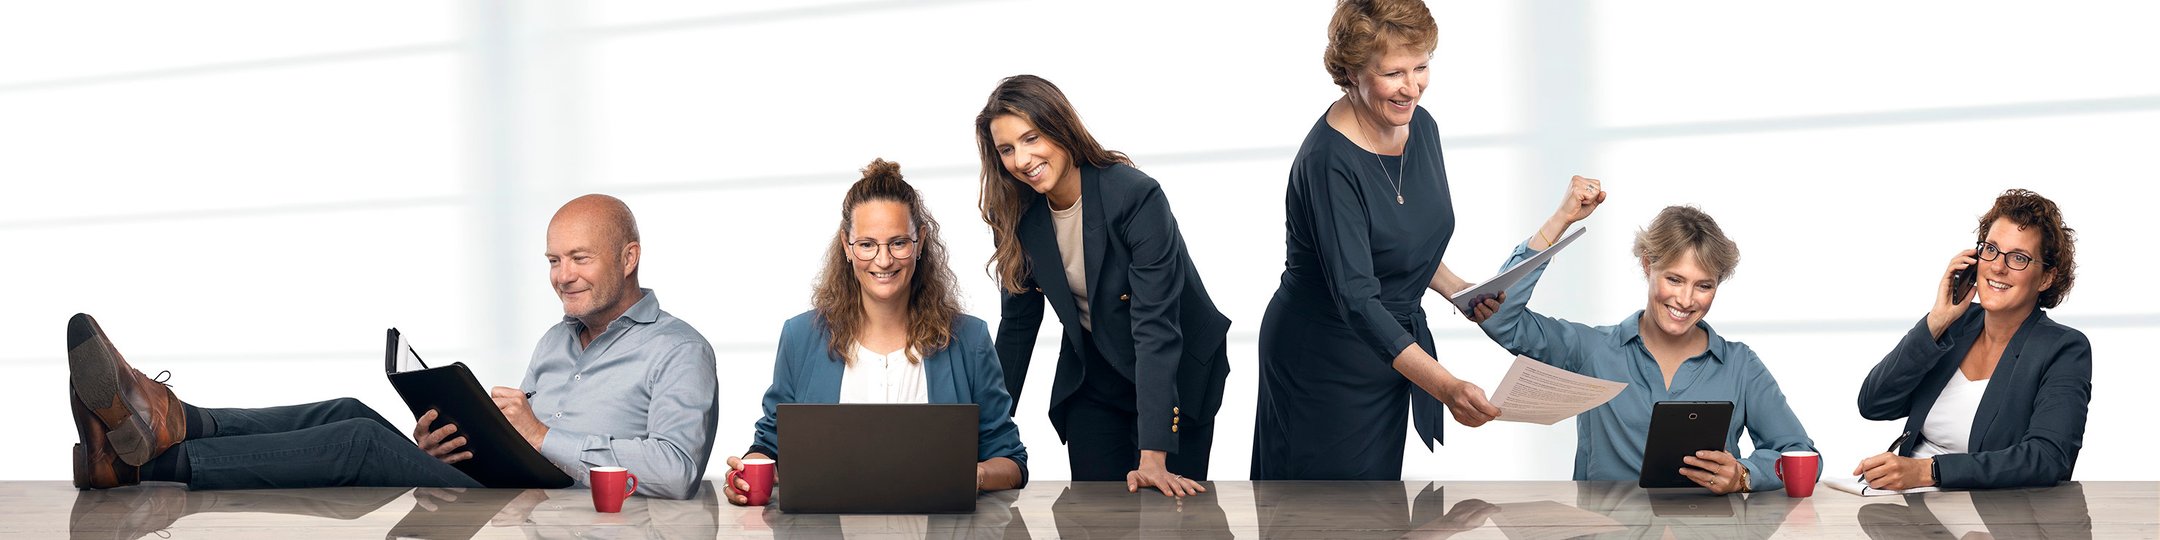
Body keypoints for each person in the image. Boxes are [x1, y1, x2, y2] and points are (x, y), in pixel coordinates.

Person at [68, 194, 720, 499]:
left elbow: (674, 470)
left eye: (579, 257)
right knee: (347, 410)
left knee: (360, 444)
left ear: (629, 257)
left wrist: (543, 434)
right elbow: (522, 442)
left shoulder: (679, 350)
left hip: (549, 510)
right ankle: (173, 421)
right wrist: (457, 443)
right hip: (504, 483)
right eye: (553, 259)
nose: (562, 275)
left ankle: (142, 465)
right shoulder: (557, 341)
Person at [1254, 0, 1591, 480]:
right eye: (1394, 73)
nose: (1412, 87)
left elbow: (1399, 242)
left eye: (1422, 66)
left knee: (1375, 508)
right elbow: (1356, 298)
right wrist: (1446, 386)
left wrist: (1459, 289)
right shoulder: (1328, 162)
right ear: (1351, 73)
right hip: (1324, 357)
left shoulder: (1421, 127)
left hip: (1393, 353)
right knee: (1326, 514)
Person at [974, 74, 1230, 496]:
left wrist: (1153, 454)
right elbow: (1017, 330)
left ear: (1060, 126)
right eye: (1006, 149)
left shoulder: (1134, 196)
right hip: (1095, 373)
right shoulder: (1016, 215)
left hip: (1176, 366)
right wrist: (981, 443)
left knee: (1171, 516)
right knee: (1093, 517)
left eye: (1031, 137)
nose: (1021, 159)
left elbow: (1155, 325)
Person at [723, 159, 1028, 506]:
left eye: (898, 243)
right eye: (867, 244)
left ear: (921, 240)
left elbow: (1012, 462)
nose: (883, 261)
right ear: (846, 245)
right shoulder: (800, 337)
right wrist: (750, 474)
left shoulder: (969, 340)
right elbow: (769, 444)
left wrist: (975, 475)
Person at [1467, 200, 1818, 494]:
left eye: (1704, 286)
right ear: (1648, 265)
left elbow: (1805, 457)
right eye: (1674, 279)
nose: (1685, 299)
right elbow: (1500, 320)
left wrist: (1743, 476)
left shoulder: (1740, 365)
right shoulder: (1591, 350)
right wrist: (1561, 220)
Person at [1853, 188, 2090, 490]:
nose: (1998, 266)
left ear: (2045, 278)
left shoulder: (2063, 349)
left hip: (1990, 522)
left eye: (2018, 257)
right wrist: (1937, 321)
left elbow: (2048, 457)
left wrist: (1930, 471)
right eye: (1990, 249)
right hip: (1909, 509)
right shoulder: (1954, 326)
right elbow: (1874, 403)